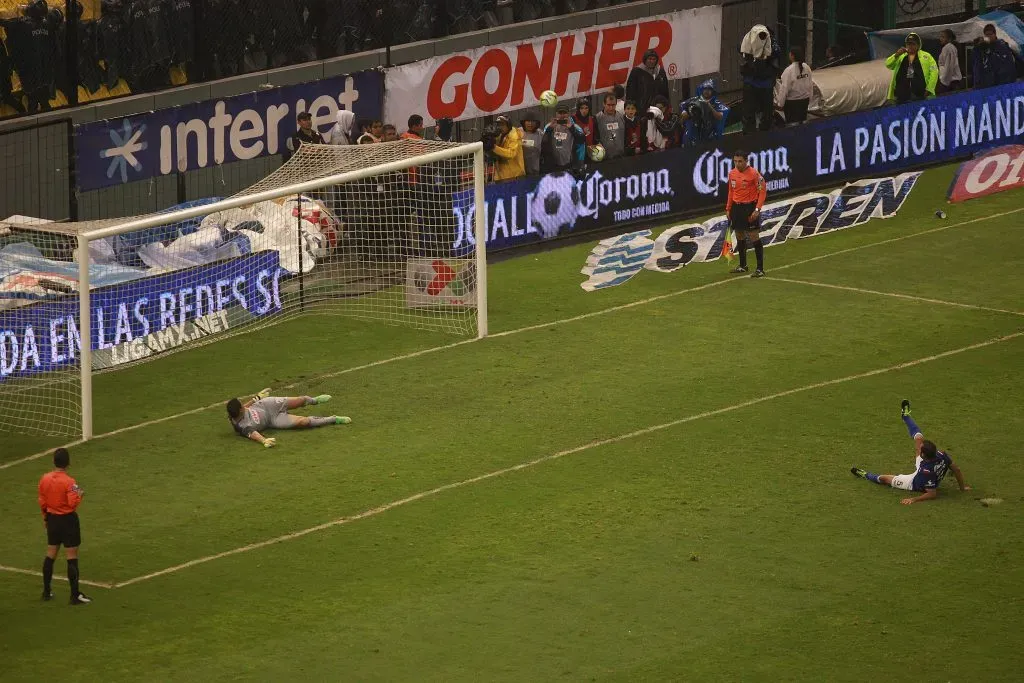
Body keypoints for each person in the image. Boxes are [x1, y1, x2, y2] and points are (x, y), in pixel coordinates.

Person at [851, 400, 970, 505]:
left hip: (914, 482)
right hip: (927, 465)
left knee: (885, 479)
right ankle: (906, 416)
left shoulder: (926, 471)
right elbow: (957, 470)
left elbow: (932, 494)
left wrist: (914, 499)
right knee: (918, 438)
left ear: (922, 455)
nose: (919, 449)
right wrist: (962, 488)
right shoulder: (941, 455)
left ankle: (864, 474)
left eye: (920, 449)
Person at [38, 447, 90, 605]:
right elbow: (72, 502)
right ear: (68, 463)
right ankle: (74, 596)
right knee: (71, 556)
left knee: (51, 554)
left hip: (52, 519)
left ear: (54, 461)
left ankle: (46, 592)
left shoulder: (44, 479)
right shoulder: (70, 482)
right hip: (68, 521)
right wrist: (80, 495)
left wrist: (46, 519)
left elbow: (42, 501)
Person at [227, 388, 351, 448]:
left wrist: (257, 398)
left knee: (300, 400)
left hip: (266, 404)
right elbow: (253, 434)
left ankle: (314, 400)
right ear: (240, 411)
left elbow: (245, 406)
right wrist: (264, 441)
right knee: (304, 421)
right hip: (273, 420)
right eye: (241, 405)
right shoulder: (243, 426)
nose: (244, 405)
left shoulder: (237, 412)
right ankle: (334, 419)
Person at [726, 150, 767, 278]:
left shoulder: (754, 174)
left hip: (749, 207)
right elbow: (731, 192)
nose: (737, 164)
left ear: (746, 161)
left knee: (754, 236)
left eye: (740, 161)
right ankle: (743, 265)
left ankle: (760, 268)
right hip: (736, 208)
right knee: (739, 234)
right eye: (735, 161)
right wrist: (728, 208)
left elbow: (762, 191)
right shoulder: (732, 173)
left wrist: (757, 209)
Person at [740, 24, 782, 133]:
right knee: (749, 112)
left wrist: (766, 53)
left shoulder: (771, 43)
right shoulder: (748, 40)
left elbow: (777, 52)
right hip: (751, 82)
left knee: (767, 112)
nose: (761, 38)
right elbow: (743, 53)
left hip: (766, 83)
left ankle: (766, 131)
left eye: (764, 36)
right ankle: (749, 133)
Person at [885, 33, 938, 104]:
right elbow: (888, 65)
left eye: (913, 44)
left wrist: (929, 89)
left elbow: (934, 72)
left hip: (920, 94)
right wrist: (896, 55)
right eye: (908, 44)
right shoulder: (901, 56)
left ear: (918, 45)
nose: (910, 46)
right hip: (902, 95)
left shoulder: (927, 56)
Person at [681, 78, 729, 145]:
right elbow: (683, 116)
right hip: (692, 139)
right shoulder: (692, 101)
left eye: (709, 89)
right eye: (705, 89)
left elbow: (720, 117)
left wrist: (708, 105)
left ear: (713, 91)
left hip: (710, 139)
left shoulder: (717, 103)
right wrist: (690, 112)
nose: (706, 91)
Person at [541, 105, 586, 173]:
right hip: (553, 166)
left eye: (564, 113)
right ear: (556, 114)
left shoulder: (575, 127)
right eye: (560, 113)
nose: (562, 115)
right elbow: (543, 142)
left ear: (569, 114)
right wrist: (550, 129)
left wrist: (571, 128)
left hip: (570, 166)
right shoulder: (549, 126)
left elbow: (582, 141)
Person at [972, 23, 1017, 89]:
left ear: (995, 34)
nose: (989, 36)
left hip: (1004, 80)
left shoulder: (1002, 45)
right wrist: (977, 45)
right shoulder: (982, 47)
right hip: (990, 82)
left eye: (990, 34)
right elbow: (977, 64)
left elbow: (1009, 63)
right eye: (987, 35)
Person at [775, 47, 813, 123]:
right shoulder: (807, 67)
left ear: (792, 56)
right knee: (802, 125)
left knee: (793, 126)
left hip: (792, 104)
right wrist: (810, 99)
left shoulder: (789, 70)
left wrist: (780, 104)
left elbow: (784, 89)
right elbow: (810, 85)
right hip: (804, 101)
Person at [491, 115, 525, 181]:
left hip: (515, 176)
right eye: (498, 125)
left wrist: (494, 147)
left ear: (509, 125)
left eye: (502, 125)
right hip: (501, 175)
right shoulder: (500, 135)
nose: (500, 127)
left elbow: (511, 153)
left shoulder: (514, 135)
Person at [594, 93, 626, 160]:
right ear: (604, 104)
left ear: (616, 104)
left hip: (621, 156)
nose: (611, 108)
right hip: (605, 158)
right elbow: (595, 138)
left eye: (613, 105)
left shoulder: (621, 117)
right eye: (608, 105)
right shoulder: (597, 118)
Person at [936, 29, 963, 95]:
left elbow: (949, 66)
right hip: (950, 81)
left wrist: (944, 83)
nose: (940, 39)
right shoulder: (949, 47)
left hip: (950, 82)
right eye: (940, 36)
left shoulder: (948, 48)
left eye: (943, 37)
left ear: (949, 38)